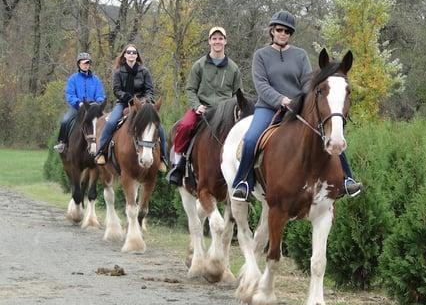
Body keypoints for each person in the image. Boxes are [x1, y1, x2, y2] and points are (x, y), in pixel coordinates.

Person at [231, 11, 363, 201]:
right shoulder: (260, 55)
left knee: (331, 133)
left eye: (287, 31)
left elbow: (307, 83)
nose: (283, 33)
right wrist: (281, 99)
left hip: (297, 106)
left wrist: (299, 100)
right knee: (251, 138)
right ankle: (242, 182)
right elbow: (261, 84)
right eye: (279, 30)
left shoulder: (300, 55)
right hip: (268, 107)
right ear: (272, 31)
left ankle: (347, 180)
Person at [166, 26, 242, 185]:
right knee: (185, 126)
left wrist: (236, 111)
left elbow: (238, 94)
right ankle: (178, 164)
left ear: (225, 41)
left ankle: (243, 170)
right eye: (214, 38)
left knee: (243, 134)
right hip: (202, 108)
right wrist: (196, 105)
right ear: (209, 41)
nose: (217, 41)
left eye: (220, 38)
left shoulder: (233, 68)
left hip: (225, 111)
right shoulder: (199, 65)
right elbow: (190, 89)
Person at [94, 44, 168, 172]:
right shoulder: (118, 72)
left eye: (134, 52)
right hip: (123, 103)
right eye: (129, 52)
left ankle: (163, 158)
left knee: (159, 128)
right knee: (111, 122)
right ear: (125, 55)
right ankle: (102, 152)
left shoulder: (144, 71)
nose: (131, 54)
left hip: (143, 105)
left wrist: (145, 101)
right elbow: (116, 90)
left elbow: (150, 90)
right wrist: (128, 98)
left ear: (137, 55)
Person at [54, 52, 106, 153]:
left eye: (88, 63)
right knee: (65, 120)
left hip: (93, 109)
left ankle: (106, 145)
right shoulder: (73, 79)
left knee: (107, 121)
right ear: (79, 64)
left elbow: (100, 94)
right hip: (77, 107)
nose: (86, 65)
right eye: (84, 63)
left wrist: (98, 103)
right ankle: (62, 143)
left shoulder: (95, 80)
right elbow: (70, 94)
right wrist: (78, 103)